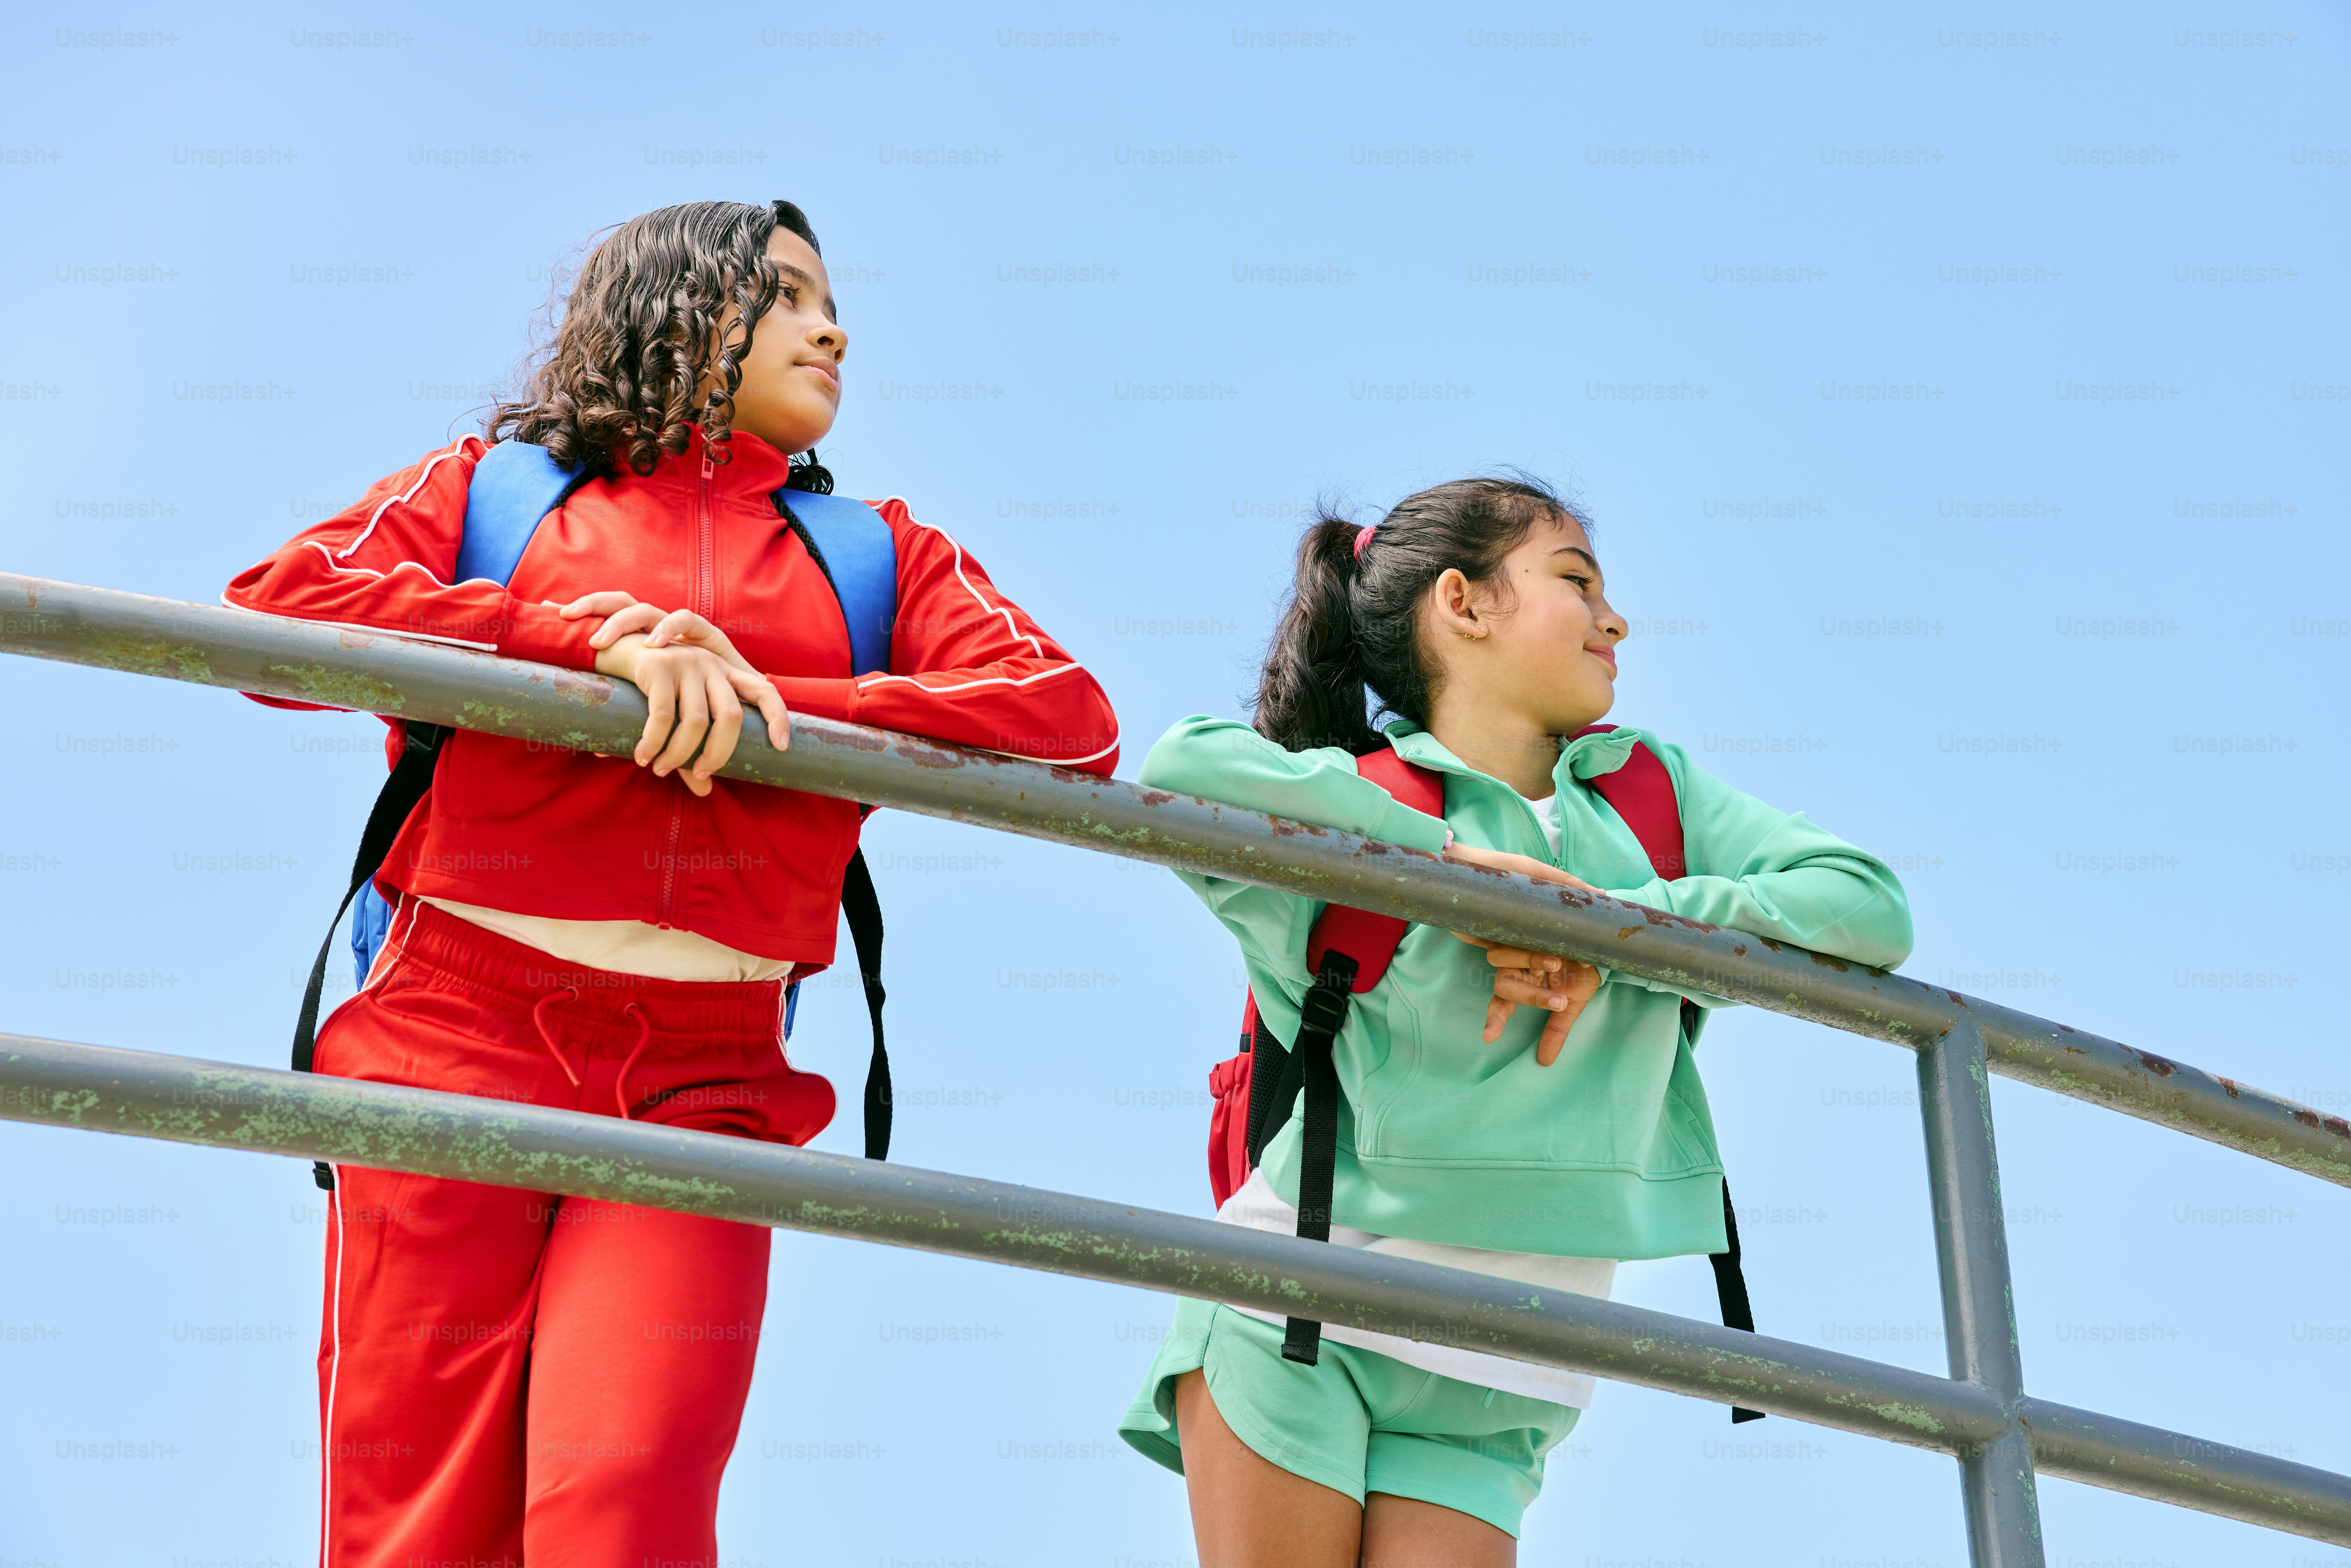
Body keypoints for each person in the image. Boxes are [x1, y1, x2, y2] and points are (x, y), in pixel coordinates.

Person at [224, 199, 1119, 1568]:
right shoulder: (492, 493)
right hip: (452, 1042)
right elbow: (272, 622)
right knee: (419, 1532)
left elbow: (1067, 720)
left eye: (835, 304)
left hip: (709, 1083)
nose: (832, 328)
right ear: (681, 306)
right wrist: (580, 647)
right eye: (787, 295)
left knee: (624, 1514)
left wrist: (772, 704)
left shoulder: (879, 553)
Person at [1115, 477, 1911, 1566]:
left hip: (1511, 1363)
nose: (1615, 618)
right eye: (1576, 580)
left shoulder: (1650, 793)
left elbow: (1868, 904)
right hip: (1297, 1313)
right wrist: (1452, 874)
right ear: (1465, 602)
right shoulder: (1376, 800)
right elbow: (1179, 767)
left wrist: (1617, 928)